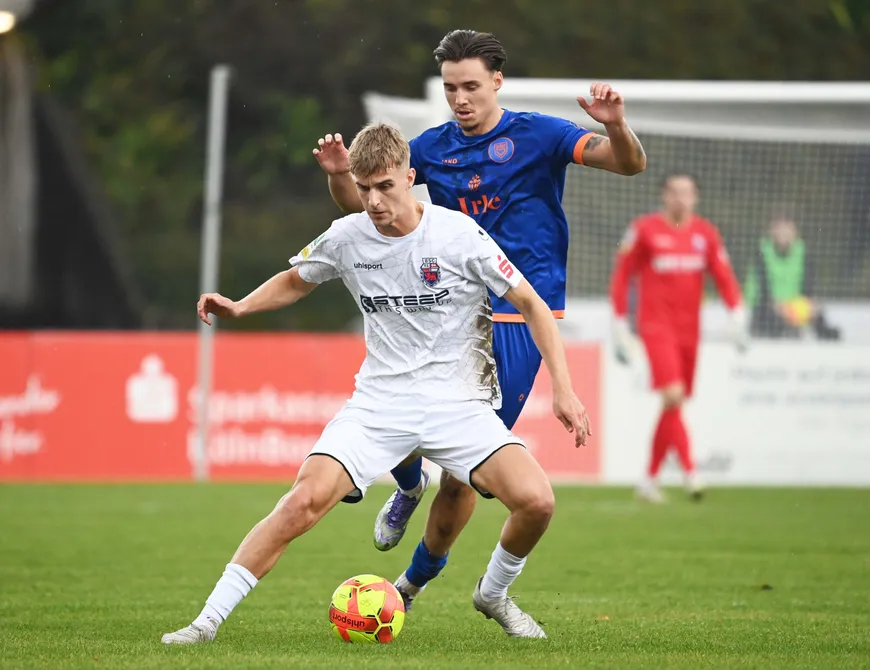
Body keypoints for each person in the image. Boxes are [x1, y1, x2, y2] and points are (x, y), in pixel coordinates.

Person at [161, 122, 590, 644]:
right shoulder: (347, 237)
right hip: (379, 405)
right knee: (301, 503)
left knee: (538, 502)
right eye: (364, 189)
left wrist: (564, 390)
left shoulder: (458, 234)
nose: (374, 201)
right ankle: (205, 624)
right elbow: (296, 280)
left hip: (459, 405)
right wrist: (241, 304)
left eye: (385, 186)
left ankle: (493, 593)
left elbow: (531, 304)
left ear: (411, 177)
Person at [313, 29, 645, 609]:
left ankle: (411, 584)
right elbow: (370, 206)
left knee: (466, 474)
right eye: (450, 88)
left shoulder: (539, 135)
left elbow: (628, 163)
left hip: (519, 317)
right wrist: (342, 175)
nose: (460, 99)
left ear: (497, 82)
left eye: (470, 86)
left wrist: (615, 123)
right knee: (395, 406)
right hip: (450, 310)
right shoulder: (431, 147)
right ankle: (408, 484)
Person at [609, 172, 747, 504]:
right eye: (674, 192)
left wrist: (737, 312)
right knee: (673, 395)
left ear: (696, 197)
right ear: (663, 196)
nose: (680, 198)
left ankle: (649, 479)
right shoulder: (644, 229)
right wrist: (619, 321)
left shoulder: (705, 234)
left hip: (690, 331)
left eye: (686, 192)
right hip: (656, 328)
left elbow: (723, 275)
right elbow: (623, 273)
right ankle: (690, 471)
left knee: (673, 403)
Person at [744, 214, 840, 340]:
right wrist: (777, 305)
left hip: (794, 306)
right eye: (780, 229)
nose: (784, 233)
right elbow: (761, 289)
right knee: (770, 320)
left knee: (817, 315)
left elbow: (808, 286)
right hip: (769, 307)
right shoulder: (762, 253)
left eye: (788, 229)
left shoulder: (803, 253)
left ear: (795, 232)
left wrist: (809, 304)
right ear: (772, 231)